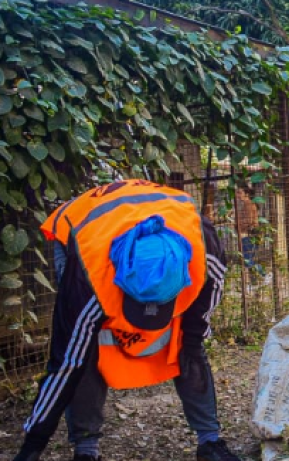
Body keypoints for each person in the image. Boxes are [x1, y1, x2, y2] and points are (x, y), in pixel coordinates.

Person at [13, 179, 240, 461]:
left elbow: (196, 331)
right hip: (82, 227)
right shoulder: (88, 277)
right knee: (83, 350)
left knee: (189, 343)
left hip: (149, 223)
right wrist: (31, 446)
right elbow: (65, 364)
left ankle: (210, 441)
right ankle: (86, 448)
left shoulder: (204, 253)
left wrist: (191, 341)